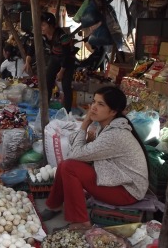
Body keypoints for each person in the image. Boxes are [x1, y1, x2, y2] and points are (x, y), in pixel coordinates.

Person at [40, 86, 149, 231]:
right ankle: (54, 205)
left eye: (100, 104)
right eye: (94, 102)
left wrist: (84, 125)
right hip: (118, 180)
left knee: (69, 167)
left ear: (113, 111)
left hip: (127, 191)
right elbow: (78, 150)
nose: (93, 108)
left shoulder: (115, 134)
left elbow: (75, 154)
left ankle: (81, 222)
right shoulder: (105, 127)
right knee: (66, 166)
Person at [41, 12, 76, 112]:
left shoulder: (62, 36)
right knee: (47, 82)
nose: (41, 27)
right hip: (55, 58)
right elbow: (33, 47)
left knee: (66, 86)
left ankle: (67, 111)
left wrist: (61, 71)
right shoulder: (43, 35)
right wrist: (28, 60)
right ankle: (44, 108)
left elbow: (67, 55)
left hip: (67, 61)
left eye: (43, 25)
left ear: (51, 25)